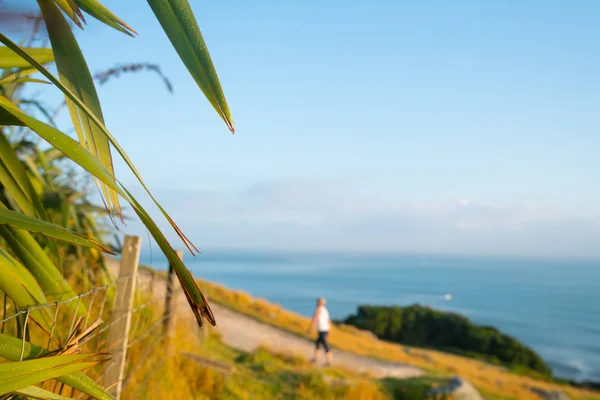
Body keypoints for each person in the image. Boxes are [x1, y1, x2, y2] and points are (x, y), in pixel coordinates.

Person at [307, 297, 332, 366]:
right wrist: (330, 330)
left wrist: (310, 328)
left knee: (325, 345)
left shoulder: (319, 309)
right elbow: (328, 320)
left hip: (322, 329)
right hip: (325, 329)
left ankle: (329, 361)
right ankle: (315, 358)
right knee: (317, 344)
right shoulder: (325, 310)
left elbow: (315, 318)